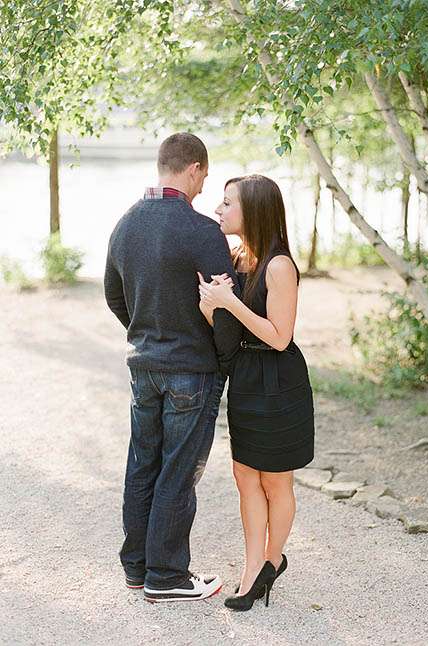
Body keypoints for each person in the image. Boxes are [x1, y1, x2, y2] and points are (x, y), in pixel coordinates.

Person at [104, 132, 243, 602]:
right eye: (204, 176)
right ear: (195, 169)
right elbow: (224, 307)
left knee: (143, 465)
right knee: (177, 472)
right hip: (191, 368)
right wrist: (222, 357)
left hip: (144, 366)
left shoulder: (125, 225)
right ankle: (166, 577)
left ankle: (137, 568)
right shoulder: (202, 230)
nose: (204, 187)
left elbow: (113, 295)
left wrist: (143, 329)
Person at [197, 174, 315, 611]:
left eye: (228, 203)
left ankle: (270, 561)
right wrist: (212, 311)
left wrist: (229, 304)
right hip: (246, 376)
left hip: (279, 381)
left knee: (275, 480)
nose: (219, 210)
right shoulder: (235, 257)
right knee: (245, 476)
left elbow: (280, 336)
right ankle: (253, 567)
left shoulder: (280, 266)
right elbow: (231, 333)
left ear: (254, 211)